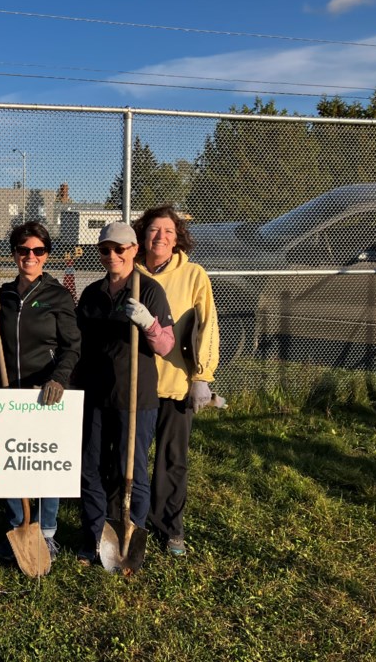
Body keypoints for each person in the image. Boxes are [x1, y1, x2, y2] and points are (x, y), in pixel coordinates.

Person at [74, 221, 174, 565]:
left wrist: (149, 323)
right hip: (95, 396)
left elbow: (166, 346)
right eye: (106, 250)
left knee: (130, 471)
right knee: (90, 468)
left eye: (120, 249)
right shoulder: (92, 294)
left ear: (134, 250)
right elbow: (78, 344)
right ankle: (94, 537)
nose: (113, 255)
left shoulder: (149, 290)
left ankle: (130, 538)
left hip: (135, 398)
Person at [0, 221, 81, 563]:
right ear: (14, 254)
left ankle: (48, 532)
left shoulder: (58, 296)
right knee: (12, 460)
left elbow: (72, 346)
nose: (30, 256)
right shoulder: (4, 295)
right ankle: (17, 526)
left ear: (46, 255)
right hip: (9, 391)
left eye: (38, 251)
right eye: (24, 250)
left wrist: (60, 379)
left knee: (43, 463)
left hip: (45, 393)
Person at [133, 205, 219, 556]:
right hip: (136, 384)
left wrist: (202, 376)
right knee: (131, 458)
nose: (161, 237)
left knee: (172, 459)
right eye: (154, 230)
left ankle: (169, 526)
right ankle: (131, 518)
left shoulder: (194, 275)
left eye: (168, 231)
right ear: (143, 234)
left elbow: (208, 326)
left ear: (178, 237)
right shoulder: (131, 271)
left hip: (177, 382)